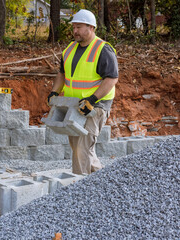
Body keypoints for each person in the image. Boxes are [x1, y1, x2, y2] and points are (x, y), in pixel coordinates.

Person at [47, 9, 118, 175]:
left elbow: (112, 78)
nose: (75, 31)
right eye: (74, 27)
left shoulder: (103, 49)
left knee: (82, 147)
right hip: (75, 105)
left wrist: (92, 100)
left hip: (96, 105)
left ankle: (78, 186)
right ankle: (100, 180)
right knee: (79, 147)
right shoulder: (70, 49)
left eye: (79, 27)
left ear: (91, 27)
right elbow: (62, 74)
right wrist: (54, 92)